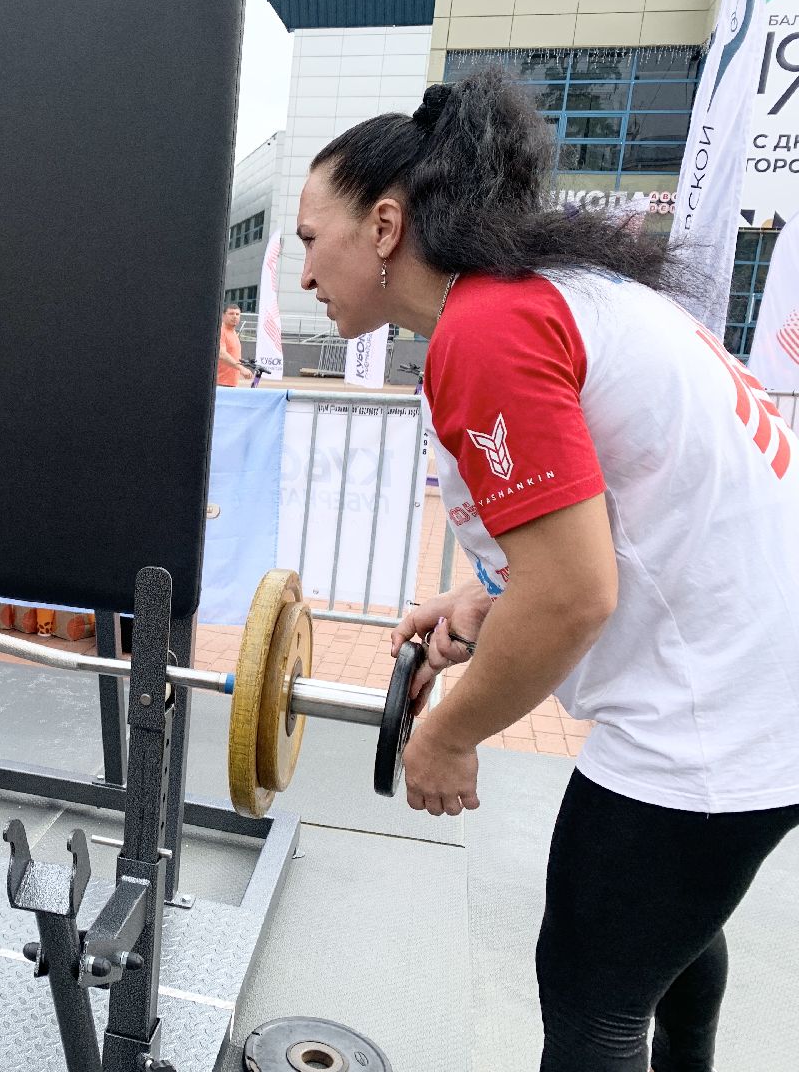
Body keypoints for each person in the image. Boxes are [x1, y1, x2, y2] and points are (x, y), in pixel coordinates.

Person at [295, 69, 799, 1071]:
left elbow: (573, 594)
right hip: (762, 691)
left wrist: (450, 734)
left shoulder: (488, 329)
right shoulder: (560, 294)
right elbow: (619, 525)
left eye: (312, 239)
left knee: (591, 998)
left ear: (385, 226)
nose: (305, 273)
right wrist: (485, 601)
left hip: (716, 718)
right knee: (670, 935)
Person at [215, 303, 252, 387]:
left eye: (237, 314)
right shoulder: (221, 331)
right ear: (223, 316)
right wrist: (241, 368)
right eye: (231, 314)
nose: (235, 316)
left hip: (231, 383)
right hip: (220, 383)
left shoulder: (233, 332)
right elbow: (221, 354)